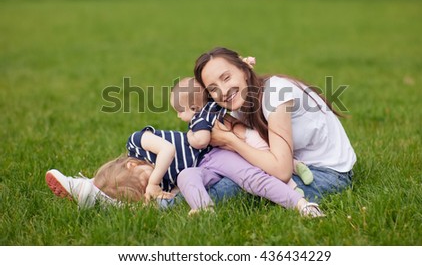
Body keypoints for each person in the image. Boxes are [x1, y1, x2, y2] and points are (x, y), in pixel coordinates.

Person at [46, 77, 324, 217]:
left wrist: (153, 182)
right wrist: (162, 191)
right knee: (185, 180)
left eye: (142, 178)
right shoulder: (159, 176)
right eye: (145, 186)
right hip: (201, 165)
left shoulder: (137, 142)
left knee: (251, 178)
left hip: (218, 152)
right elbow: (177, 179)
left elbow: (167, 151)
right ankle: (203, 211)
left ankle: (300, 204)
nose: (151, 179)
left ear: (132, 163)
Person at [193, 47, 357, 202]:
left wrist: (230, 140)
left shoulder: (276, 93)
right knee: (231, 173)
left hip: (327, 172)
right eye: (213, 89)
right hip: (293, 165)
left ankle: (177, 202)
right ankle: (179, 188)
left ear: (244, 70)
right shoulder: (239, 104)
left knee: (234, 186)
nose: (223, 90)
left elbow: (281, 171)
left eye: (226, 78)